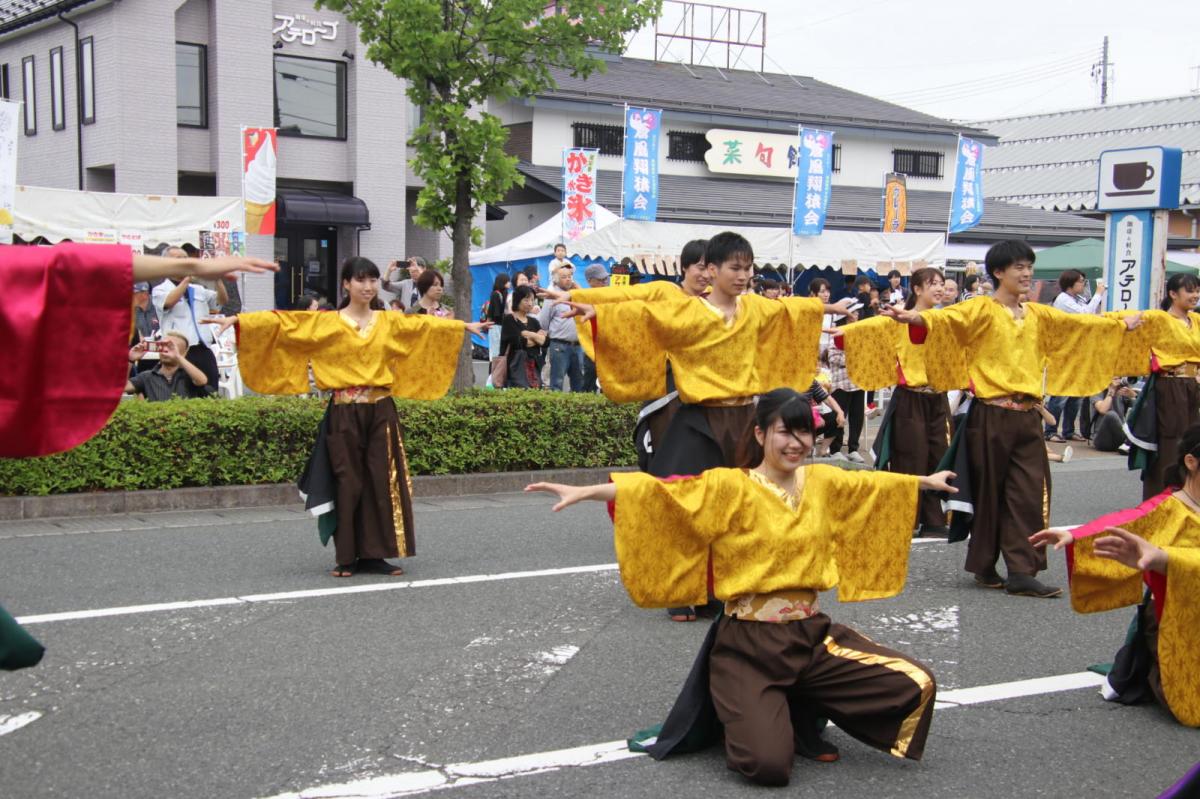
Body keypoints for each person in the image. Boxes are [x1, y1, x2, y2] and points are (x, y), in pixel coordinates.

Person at [526, 389, 953, 786]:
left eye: (804, 432)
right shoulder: (730, 487)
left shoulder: (823, 481)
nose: (796, 443)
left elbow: (873, 486)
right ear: (760, 433)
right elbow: (663, 494)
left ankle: (800, 703)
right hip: (747, 645)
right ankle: (749, 709)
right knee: (768, 765)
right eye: (785, 432)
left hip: (809, 637)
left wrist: (925, 482)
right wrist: (590, 490)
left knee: (915, 684)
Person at [563, 232, 852, 622]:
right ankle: (682, 591)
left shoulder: (754, 307)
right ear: (712, 270)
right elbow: (644, 316)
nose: (743, 276)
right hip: (699, 419)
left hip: (746, 421)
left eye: (748, 268)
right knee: (680, 503)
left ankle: (722, 585)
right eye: (735, 268)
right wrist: (599, 314)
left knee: (741, 508)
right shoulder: (688, 310)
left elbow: (790, 310)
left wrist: (830, 308)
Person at [880, 240, 1141, 598]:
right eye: (1019, 267)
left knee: (1028, 492)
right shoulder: (981, 309)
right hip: (990, 414)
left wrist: (1117, 324)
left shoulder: (1039, 314)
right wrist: (916, 317)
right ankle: (984, 563)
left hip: (1028, 416)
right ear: (999, 272)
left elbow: (1079, 325)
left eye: (1029, 266)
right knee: (989, 493)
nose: (1026, 273)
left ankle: (1021, 570)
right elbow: (947, 318)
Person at [207, 257, 489, 578]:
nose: (368, 287)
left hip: (381, 410)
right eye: (360, 280)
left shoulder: (388, 320)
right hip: (343, 411)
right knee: (347, 481)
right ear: (346, 284)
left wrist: (461, 327)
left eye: (372, 280)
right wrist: (240, 321)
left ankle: (375, 554)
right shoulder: (327, 322)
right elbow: (285, 323)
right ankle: (347, 555)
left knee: (381, 480)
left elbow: (423, 326)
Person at [1, 242, 274, 458]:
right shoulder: (162, 296)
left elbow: (65, 265)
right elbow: (69, 266)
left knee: (207, 393)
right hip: (180, 348)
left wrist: (203, 273)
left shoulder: (197, 292)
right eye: (175, 260)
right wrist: (192, 268)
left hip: (198, 348)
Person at [1030, 423, 1200, 727]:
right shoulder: (1171, 508)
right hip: (1180, 615)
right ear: (1191, 461)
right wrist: (1078, 536)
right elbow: (1128, 522)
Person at [840, 267, 955, 535]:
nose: (939, 288)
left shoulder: (946, 319)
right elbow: (867, 330)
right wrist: (843, 331)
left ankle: (935, 520)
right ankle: (905, 518)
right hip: (910, 398)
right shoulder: (897, 317)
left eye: (942, 283)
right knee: (910, 457)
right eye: (933, 284)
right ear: (917, 288)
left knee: (940, 454)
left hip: (938, 397)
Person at [1112, 272, 1200, 500]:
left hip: (1193, 387)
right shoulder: (1159, 318)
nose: (1195, 295)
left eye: (1197, 291)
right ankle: (1162, 500)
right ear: (1173, 294)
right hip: (1169, 386)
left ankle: (1190, 499)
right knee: (1171, 443)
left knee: (1194, 442)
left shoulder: (1196, 320)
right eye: (1190, 290)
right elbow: (1121, 319)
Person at [1044, 270, 1107, 444]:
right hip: (1064, 353)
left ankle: (1069, 430)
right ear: (1070, 283)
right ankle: (1050, 431)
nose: (1083, 284)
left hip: (1078, 351)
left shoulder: (1076, 299)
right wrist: (1098, 294)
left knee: (1076, 394)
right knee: (1061, 394)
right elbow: (1085, 315)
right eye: (1081, 281)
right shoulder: (1063, 299)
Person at [152, 247, 227, 390]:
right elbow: (168, 302)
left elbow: (221, 301)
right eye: (178, 259)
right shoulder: (160, 289)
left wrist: (217, 279)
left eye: (185, 258)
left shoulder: (198, 289)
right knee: (182, 392)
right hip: (178, 351)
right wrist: (187, 279)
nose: (183, 262)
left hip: (203, 348)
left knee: (211, 391)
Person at [537, 262, 585, 392]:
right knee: (557, 382)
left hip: (578, 344)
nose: (568, 279)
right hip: (559, 345)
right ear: (556, 280)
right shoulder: (551, 296)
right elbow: (543, 322)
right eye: (564, 277)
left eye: (570, 276)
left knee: (579, 382)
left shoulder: (577, 294)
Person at [125, 331, 214, 400]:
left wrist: (178, 356)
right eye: (163, 346)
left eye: (171, 347)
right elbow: (123, 387)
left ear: (183, 353)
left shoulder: (189, 375)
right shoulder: (146, 377)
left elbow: (202, 381)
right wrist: (130, 360)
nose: (166, 350)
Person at [499, 285, 546, 389]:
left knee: (535, 392)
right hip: (516, 366)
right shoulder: (509, 320)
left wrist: (530, 334)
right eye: (526, 300)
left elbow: (545, 342)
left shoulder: (534, 321)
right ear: (517, 300)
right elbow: (520, 342)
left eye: (532, 300)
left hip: (534, 367)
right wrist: (537, 338)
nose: (530, 303)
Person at [1090, 378, 1137, 453]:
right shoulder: (1097, 389)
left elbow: (1140, 411)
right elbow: (1103, 409)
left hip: (1119, 438)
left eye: (1119, 377)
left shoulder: (1122, 390)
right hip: (1102, 440)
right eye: (1115, 377)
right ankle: (1130, 444)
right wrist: (1111, 390)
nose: (1118, 380)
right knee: (1111, 415)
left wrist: (1133, 396)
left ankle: (1131, 444)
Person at [485, 273, 510, 360]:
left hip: (500, 325)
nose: (509, 283)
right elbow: (497, 313)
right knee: (495, 352)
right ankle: (493, 368)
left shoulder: (504, 293)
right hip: (495, 326)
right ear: (502, 282)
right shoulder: (496, 294)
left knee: (500, 351)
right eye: (507, 281)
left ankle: (497, 367)